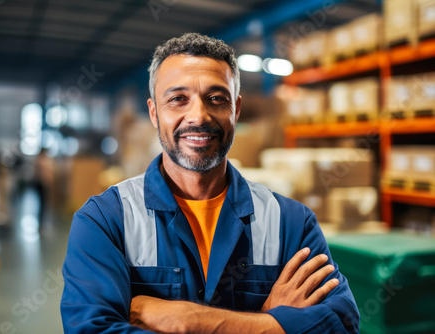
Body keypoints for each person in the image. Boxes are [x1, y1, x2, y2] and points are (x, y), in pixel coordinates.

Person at [61, 32, 359, 333]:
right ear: (154, 112)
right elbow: (92, 329)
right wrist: (268, 324)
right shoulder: (106, 220)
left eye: (216, 99)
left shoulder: (291, 223)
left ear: (236, 110)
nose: (199, 116)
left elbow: (341, 323)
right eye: (178, 99)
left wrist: (189, 321)